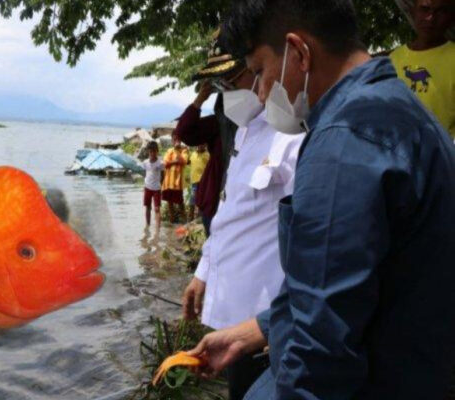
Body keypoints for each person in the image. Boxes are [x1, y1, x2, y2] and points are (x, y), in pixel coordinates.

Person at [188, 1, 455, 399]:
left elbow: (320, 350)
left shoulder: (344, 143)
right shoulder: (393, 109)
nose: (260, 93)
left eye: (260, 71)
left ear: (299, 52)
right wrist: (259, 329)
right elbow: (350, 279)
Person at [181, 52, 304, 400]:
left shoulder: (291, 134)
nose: (225, 94)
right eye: (218, 85)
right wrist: (203, 271)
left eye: (230, 82)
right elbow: (228, 212)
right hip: (232, 311)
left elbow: (307, 236)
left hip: (264, 319)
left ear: (258, 72)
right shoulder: (244, 132)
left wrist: (275, 322)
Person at [176, 33, 244, 236]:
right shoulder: (219, 122)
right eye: (223, 81)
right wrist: (199, 99)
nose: (228, 84)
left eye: (232, 77)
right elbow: (185, 132)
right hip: (214, 203)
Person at [390, 0, 455, 138]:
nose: (430, 18)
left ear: (451, 18)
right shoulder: (394, 58)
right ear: (413, 13)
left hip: (441, 154)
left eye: (441, 11)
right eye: (425, 9)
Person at [161, 136, 189, 224]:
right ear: (172, 141)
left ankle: (185, 221)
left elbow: (183, 161)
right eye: (175, 140)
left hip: (178, 182)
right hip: (168, 182)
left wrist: (177, 153)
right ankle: (172, 221)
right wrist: (175, 162)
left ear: (180, 141)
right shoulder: (169, 151)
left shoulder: (184, 150)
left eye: (178, 140)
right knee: (170, 203)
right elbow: (165, 163)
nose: (177, 141)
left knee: (180, 202)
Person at [142, 141, 163, 228]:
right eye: (150, 151)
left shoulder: (160, 163)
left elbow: (163, 175)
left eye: (154, 151)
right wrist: (145, 185)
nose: (152, 153)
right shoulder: (145, 162)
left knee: (157, 209)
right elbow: (145, 174)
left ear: (157, 151)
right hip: (147, 187)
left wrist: (160, 184)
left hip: (156, 189)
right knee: (148, 207)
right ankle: (147, 226)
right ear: (148, 152)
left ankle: (158, 229)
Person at [187, 144, 209, 221]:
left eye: (202, 144)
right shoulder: (193, 154)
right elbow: (188, 162)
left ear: (205, 145)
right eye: (198, 144)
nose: (200, 145)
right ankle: (191, 219)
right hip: (194, 182)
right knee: (192, 201)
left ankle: (198, 219)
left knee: (200, 202)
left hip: (203, 182)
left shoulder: (207, 155)